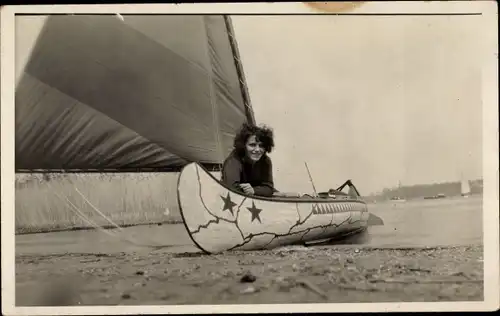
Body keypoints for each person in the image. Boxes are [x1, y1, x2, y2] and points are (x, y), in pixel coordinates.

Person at [221, 123, 301, 198]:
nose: (257, 149)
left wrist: (254, 190)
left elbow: (269, 188)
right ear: (243, 146)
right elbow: (232, 190)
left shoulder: (266, 161)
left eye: (261, 146)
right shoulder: (233, 161)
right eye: (252, 145)